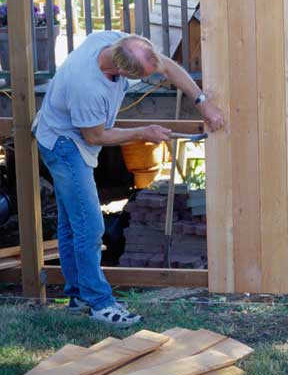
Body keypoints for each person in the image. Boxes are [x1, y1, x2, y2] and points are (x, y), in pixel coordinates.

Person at [33, 31, 224, 327]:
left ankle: (78, 296)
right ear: (120, 71)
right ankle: (99, 303)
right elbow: (95, 136)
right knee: (90, 226)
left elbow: (167, 67)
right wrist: (141, 132)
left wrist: (203, 102)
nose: (155, 69)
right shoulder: (87, 86)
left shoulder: (117, 42)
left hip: (70, 136)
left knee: (73, 223)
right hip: (64, 144)